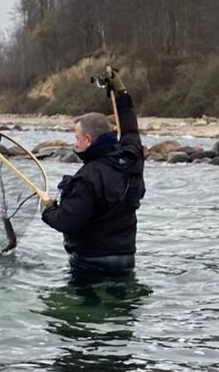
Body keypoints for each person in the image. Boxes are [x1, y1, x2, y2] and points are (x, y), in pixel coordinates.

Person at [40, 67, 145, 274]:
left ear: (88, 140)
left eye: (77, 137)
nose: (75, 142)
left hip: (91, 264)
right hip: (126, 259)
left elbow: (68, 221)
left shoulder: (87, 177)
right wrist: (121, 92)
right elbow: (130, 128)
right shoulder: (131, 159)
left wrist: (47, 210)